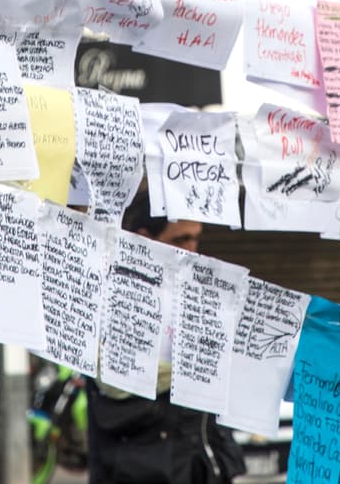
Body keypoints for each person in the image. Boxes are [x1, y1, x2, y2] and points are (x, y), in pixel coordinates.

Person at [86, 189, 245, 484]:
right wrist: (196, 362)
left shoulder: (197, 296)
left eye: (196, 239)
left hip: (199, 465)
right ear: (146, 238)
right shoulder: (108, 295)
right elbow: (115, 384)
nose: (192, 251)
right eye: (180, 240)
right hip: (138, 471)